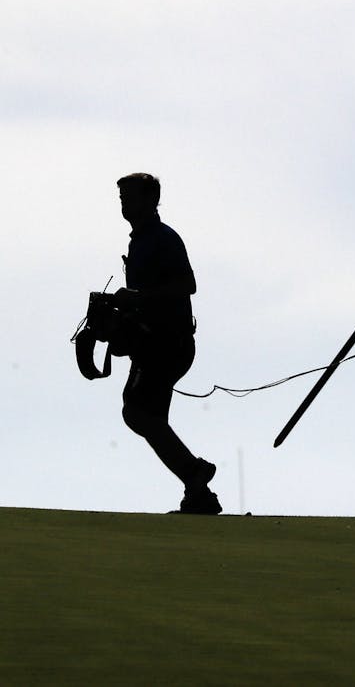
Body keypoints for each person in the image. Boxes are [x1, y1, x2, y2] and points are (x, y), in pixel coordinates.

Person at [113, 172, 221, 514]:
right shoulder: (140, 240)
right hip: (153, 344)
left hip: (168, 344)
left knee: (138, 412)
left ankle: (194, 472)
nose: (123, 203)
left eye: (129, 196)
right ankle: (199, 492)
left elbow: (187, 284)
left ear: (150, 200)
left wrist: (138, 298)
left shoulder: (163, 238)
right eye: (121, 197)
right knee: (145, 415)